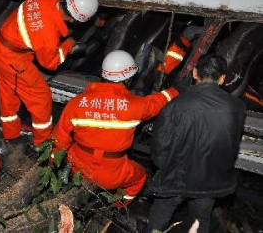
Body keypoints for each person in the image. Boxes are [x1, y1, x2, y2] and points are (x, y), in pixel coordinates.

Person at [0, 0, 99, 154]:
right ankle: (42, 144)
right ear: (76, 20)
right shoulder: (49, 35)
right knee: (41, 96)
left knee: (8, 94)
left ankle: (11, 136)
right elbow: (50, 63)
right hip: (13, 59)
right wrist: (68, 45)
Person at [52, 50, 178, 207]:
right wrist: (175, 91)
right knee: (139, 178)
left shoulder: (77, 103)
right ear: (128, 79)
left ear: (104, 75)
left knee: (69, 145)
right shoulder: (135, 106)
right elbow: (157, 102)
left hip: (77, 166)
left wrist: (52, 167)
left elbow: (59, 140)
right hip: (111, 175)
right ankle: (116, 206)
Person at [146, 54, 246, 233]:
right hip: (210, 180)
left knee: (158, 218)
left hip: (176, 179)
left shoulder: (175, 105)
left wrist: (165, 168)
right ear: (222, 79)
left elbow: (160, 147)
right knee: (201, 221)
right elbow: (231, 145)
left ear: (194, 73)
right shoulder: (237, 107)